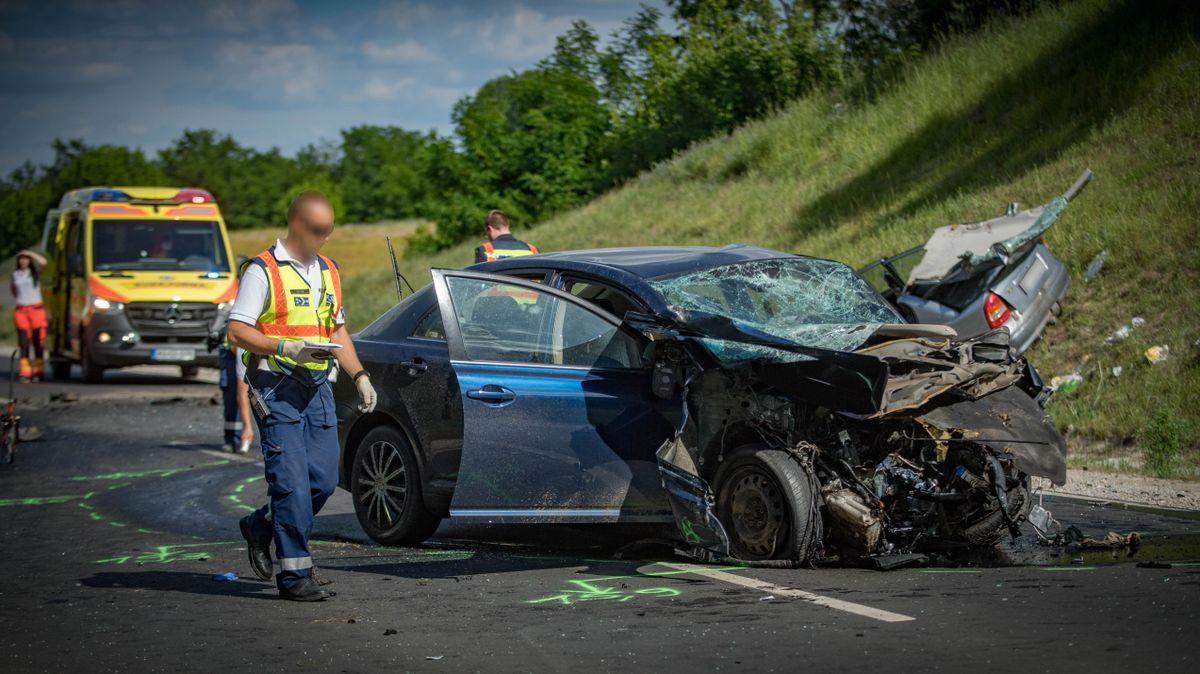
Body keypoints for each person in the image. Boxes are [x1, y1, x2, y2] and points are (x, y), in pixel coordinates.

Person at [227, 191, 377, 602]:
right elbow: (237, 331)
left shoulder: (328, 270)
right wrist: (281, 347)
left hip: (317, 388)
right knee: (290, 484)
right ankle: (295, 576)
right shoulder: (263, 271)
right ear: (295, 224)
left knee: (323, 480)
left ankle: (262, 524)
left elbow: (336, 330)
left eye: (328, 231)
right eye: (316, 230)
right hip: (276, 388)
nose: (324, 238)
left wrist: (359, 374)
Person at [213, 259, 254, 454]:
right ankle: (232, 438)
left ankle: (242, 435)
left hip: (241, 345)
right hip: (230, 351)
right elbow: (241, 389)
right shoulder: (233, 299)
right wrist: (248, 426)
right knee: (232, 393)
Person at [10, 250, 47, 382]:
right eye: (21, 259)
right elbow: (14, 290)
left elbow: (44, 262)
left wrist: (30, 253)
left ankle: (38, 369)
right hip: (22, 310)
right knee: (24, 342)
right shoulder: (15, 275)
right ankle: (25, 371)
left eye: (26, 259)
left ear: (29, 261)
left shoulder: (34, 273)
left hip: (36, 310)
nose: (23, 261)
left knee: (38, 341)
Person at [473, 209, 539, 263]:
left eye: (486, 234)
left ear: (490, 228)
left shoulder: (485, 251)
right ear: (507, 225)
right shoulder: (533, 250)